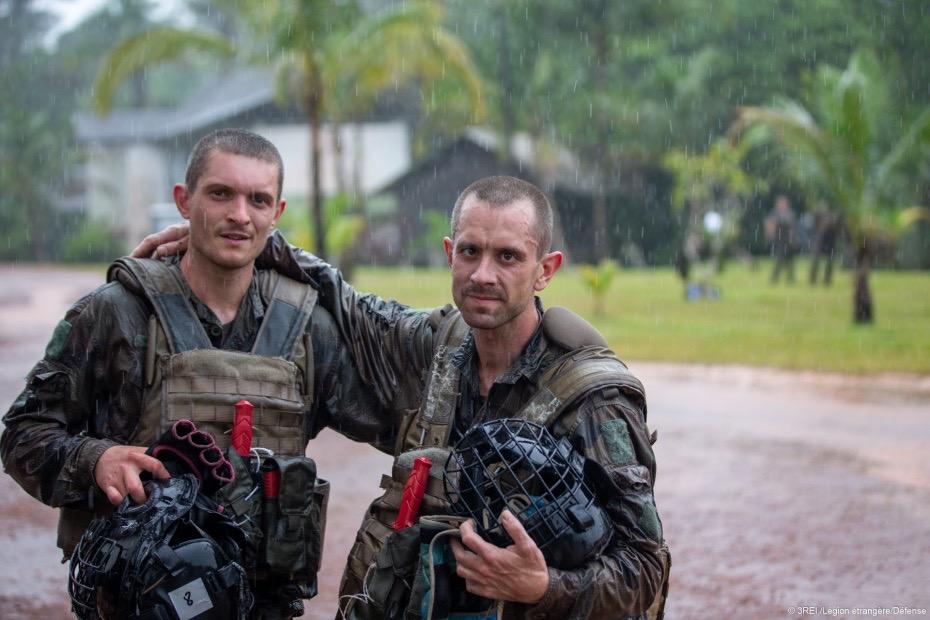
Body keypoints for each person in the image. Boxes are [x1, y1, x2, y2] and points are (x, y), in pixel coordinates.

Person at [223, 176, 668, 619]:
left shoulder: (594, 400)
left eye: (508, 256)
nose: (483, 275)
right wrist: (232, 239)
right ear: (449, 253)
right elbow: (349, 304)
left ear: (545, 270)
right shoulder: (439, 343)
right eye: (470, 251)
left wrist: (544, 587)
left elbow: (646, 568)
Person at [0, 128, 392, 619]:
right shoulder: (116, 313)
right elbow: (23, 433)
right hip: (141, 602)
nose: (240, 214)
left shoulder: (309, 328)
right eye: (221, 193)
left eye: (258, 199)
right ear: (184, 201)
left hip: (263, 603)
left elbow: (395, 423)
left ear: (277, 212)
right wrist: (97, 461)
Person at [766, 195, 797, 283]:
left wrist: (792, 239)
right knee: (779, 258)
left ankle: (790, 278)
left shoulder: (790, 214)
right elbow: (769, 224)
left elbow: (792, 228)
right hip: (779, 239)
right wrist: (770, 235)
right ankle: (775, 277)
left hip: (788, 239)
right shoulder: (774, 213)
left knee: (790, 260)